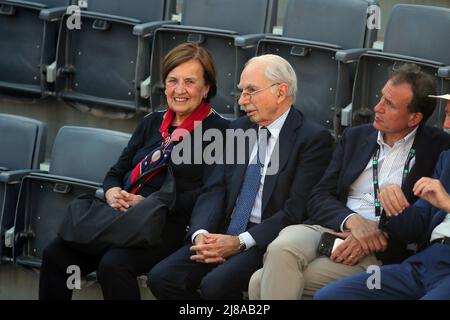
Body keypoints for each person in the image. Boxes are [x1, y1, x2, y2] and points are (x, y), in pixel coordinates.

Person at [39, 43, 229, 300]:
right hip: (122, 219)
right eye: (172, 81)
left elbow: (210, 194)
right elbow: (116, 171)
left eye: (190, 81)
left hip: (168, 224)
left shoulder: (220, 132)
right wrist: (113, 192)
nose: (180, 90)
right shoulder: (151, 122)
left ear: (206, 88)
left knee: (113, 264)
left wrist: (149, 203)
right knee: (56, 254)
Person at [248, 64, 450, 300]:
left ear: (414, 117)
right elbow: (319, 195)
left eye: (390, 105)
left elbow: (419, 221)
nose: (378, 108)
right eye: (381, 98)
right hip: (329, 226)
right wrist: (351, 221)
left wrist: (376, 232)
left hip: (376, 247)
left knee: (260, 281)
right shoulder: (356, 136)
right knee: (282, 247)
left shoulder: (437, 148)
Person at [147, 54, 334, 299]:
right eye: (241, 91)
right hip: (222, 231)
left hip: (265, 240)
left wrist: (240, 242)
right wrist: (201, 233)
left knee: (216, 286)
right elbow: (214, 188)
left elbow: (295, 210)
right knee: (162, 278)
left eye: (251, 90)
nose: (242, 100)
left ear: (281, 92)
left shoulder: (312, 139)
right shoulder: (239, 129)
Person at [314, 93, 450, 300]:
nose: (446, 124)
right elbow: (418, 226)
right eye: (447, 114)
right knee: (330, 296)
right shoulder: (447, 159)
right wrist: (394, 208)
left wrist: (448, 204)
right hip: (424, 264)